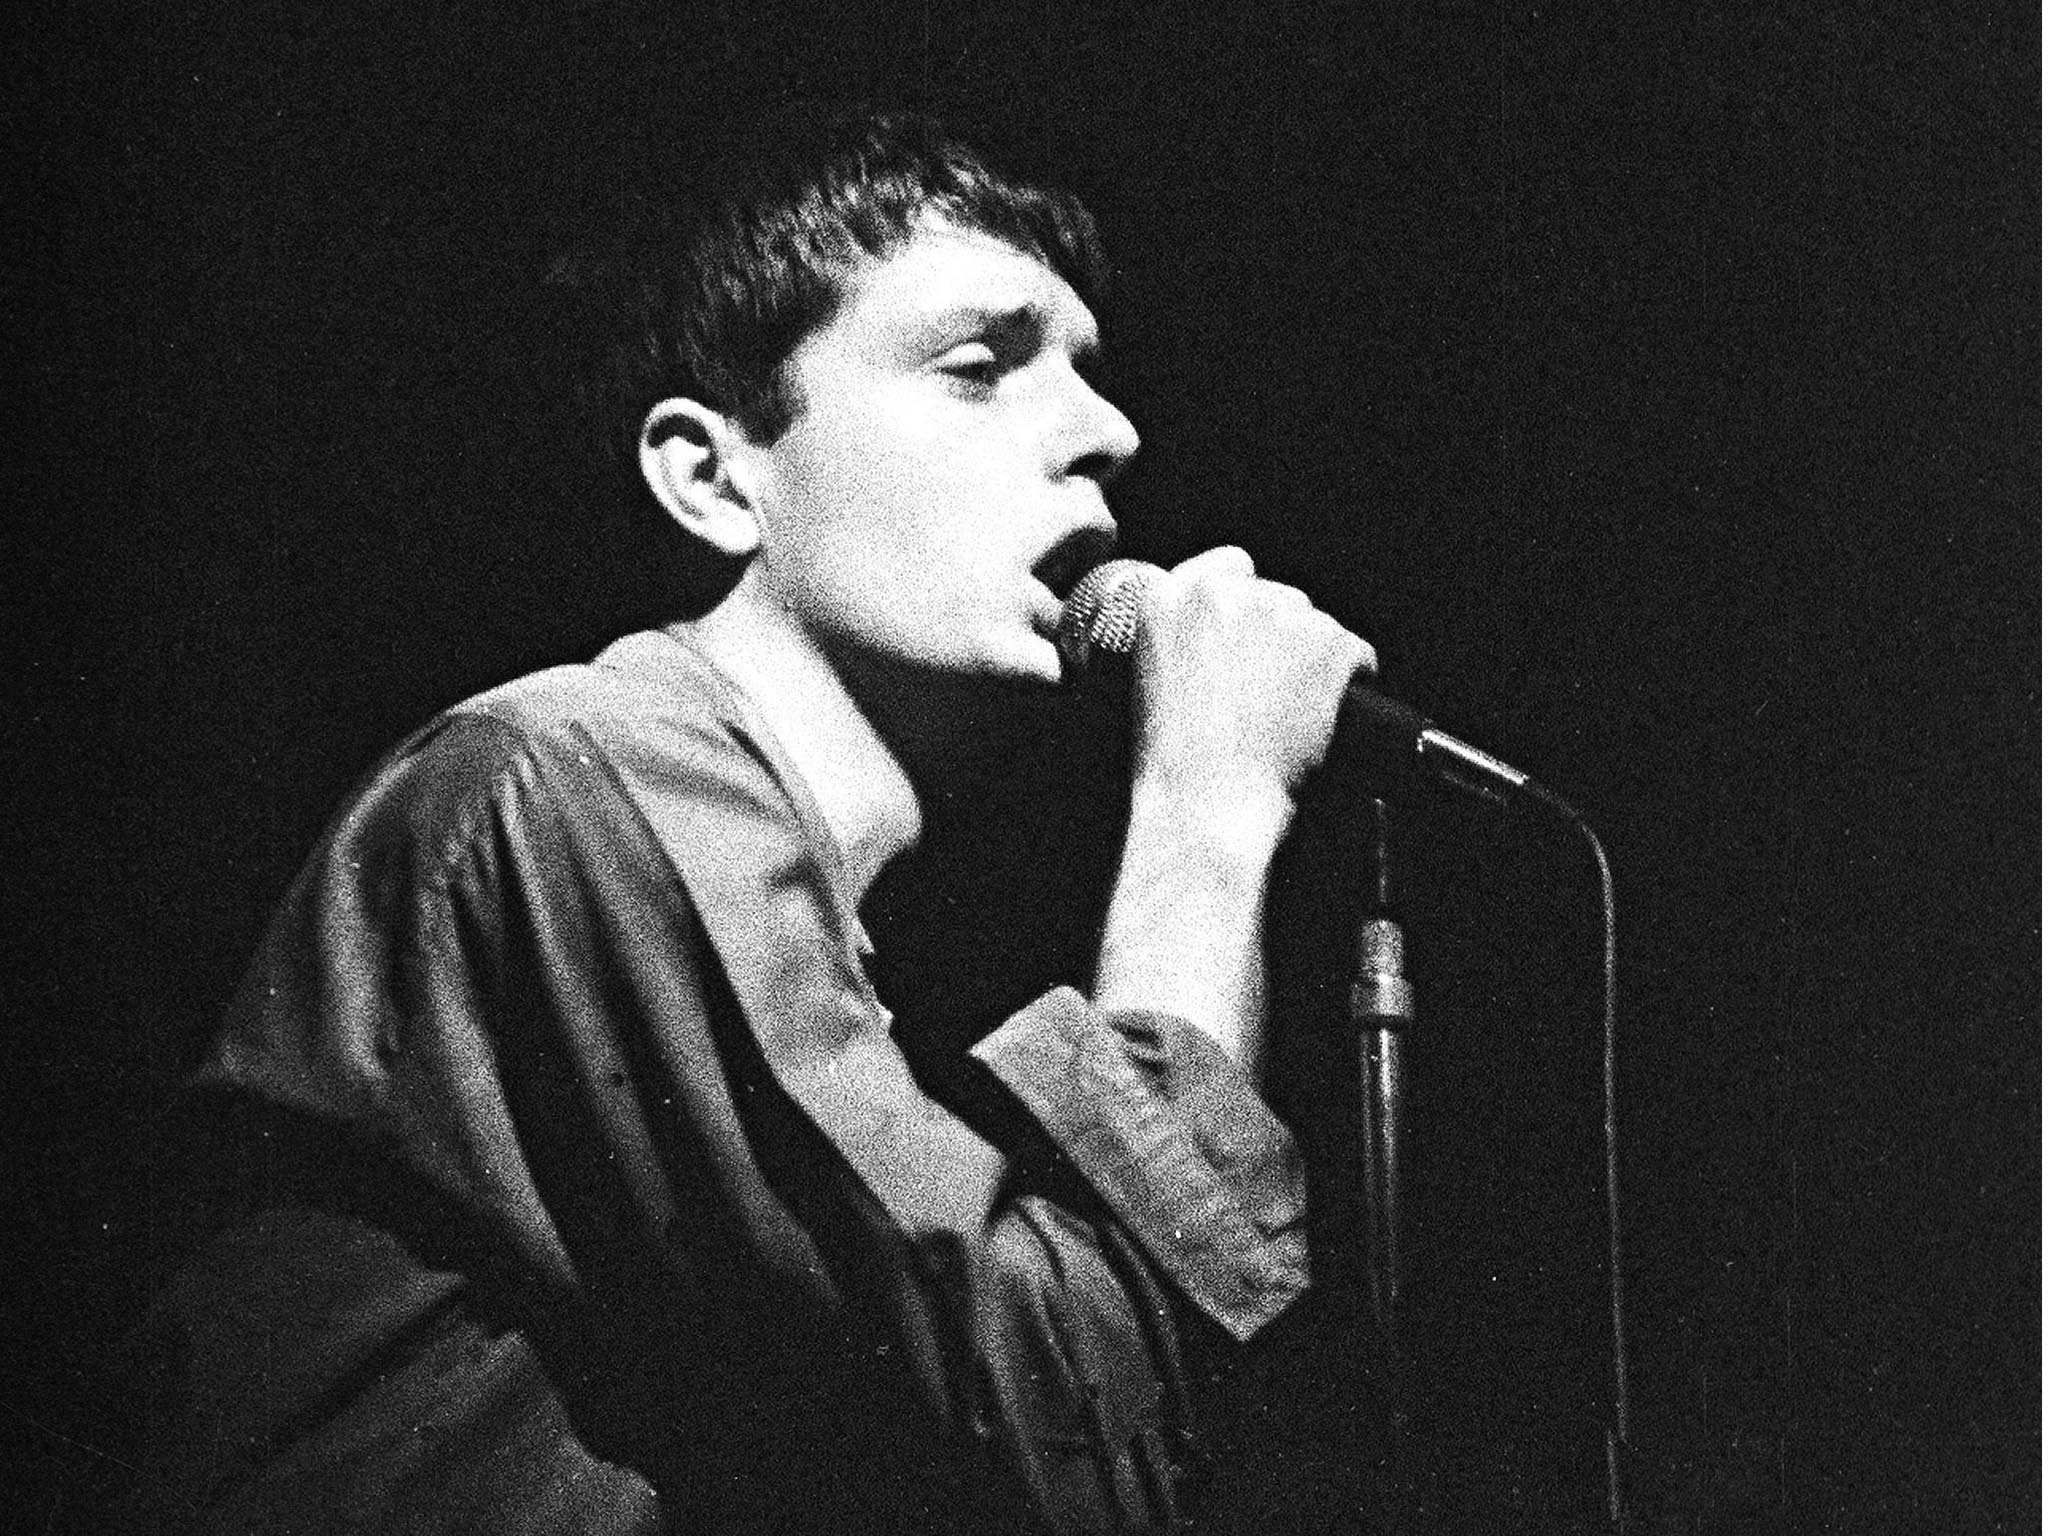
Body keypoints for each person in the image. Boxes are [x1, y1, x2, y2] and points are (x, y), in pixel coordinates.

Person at [110, 106, 1374, 1534]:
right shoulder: (581, 769)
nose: (1108, 433)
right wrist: (1205, 812)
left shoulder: (776, 908)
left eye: (1091, 376)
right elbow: (1067, 1426)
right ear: (715, 477)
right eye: (980, 368)